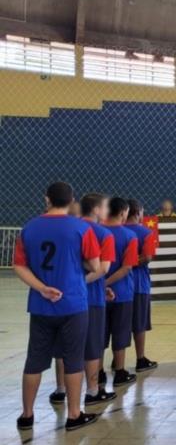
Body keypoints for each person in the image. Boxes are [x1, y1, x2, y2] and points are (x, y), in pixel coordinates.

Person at [13, 182, 101, 431]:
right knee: (73, 359)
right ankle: (74, 414)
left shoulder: (29, 228)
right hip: (72, 303)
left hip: (41, 305)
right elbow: (95, 266)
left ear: (47, 199)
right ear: (71, 201)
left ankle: (27, 415)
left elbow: (19, 265)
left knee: (35, 360)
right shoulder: (82, 229)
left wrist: (42, 287)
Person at [50, 193, 118, 408]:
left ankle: (60, 389)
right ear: (97, 210)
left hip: (62, 297)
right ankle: (92, 391)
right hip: (90, 298)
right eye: (105, 207)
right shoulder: (103, 234)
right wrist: (81, 282)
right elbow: (103, 268)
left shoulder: (68, 229)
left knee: (63, 346)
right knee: (92, 346)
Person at [102, 197, 140, 388]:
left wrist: (100, 283)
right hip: (122, 292)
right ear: (124, 212)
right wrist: (107, 282)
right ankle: (120, 371)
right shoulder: (129, 236)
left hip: (97, 294)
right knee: (120, 333)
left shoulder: (97, 233)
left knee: (99, 334)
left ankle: (98, 372)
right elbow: (126, 268)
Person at [125, 199, 158, 372]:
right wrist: (131, 262)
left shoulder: (115, 231)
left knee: (120, 324)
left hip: (119, 283)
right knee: (139, 323)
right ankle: (140, 359)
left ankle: (118, 361)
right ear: (138, 213)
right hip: (139, 283)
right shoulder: (145, 232)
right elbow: (147, 258)